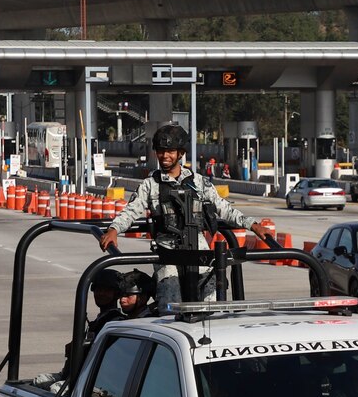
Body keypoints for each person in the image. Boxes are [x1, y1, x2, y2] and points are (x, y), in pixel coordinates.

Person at [99, 124, 270, 308]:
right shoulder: (150, 185)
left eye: (170, 151)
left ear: (180, 153)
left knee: (212, 295)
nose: (165, 156)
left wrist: (252, 225)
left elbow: (224, 208)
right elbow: (131, 210)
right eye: (161, 151)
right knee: (170, 298)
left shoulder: (198, 182)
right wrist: (114, 229)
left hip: (198, 248)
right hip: (167, 251)